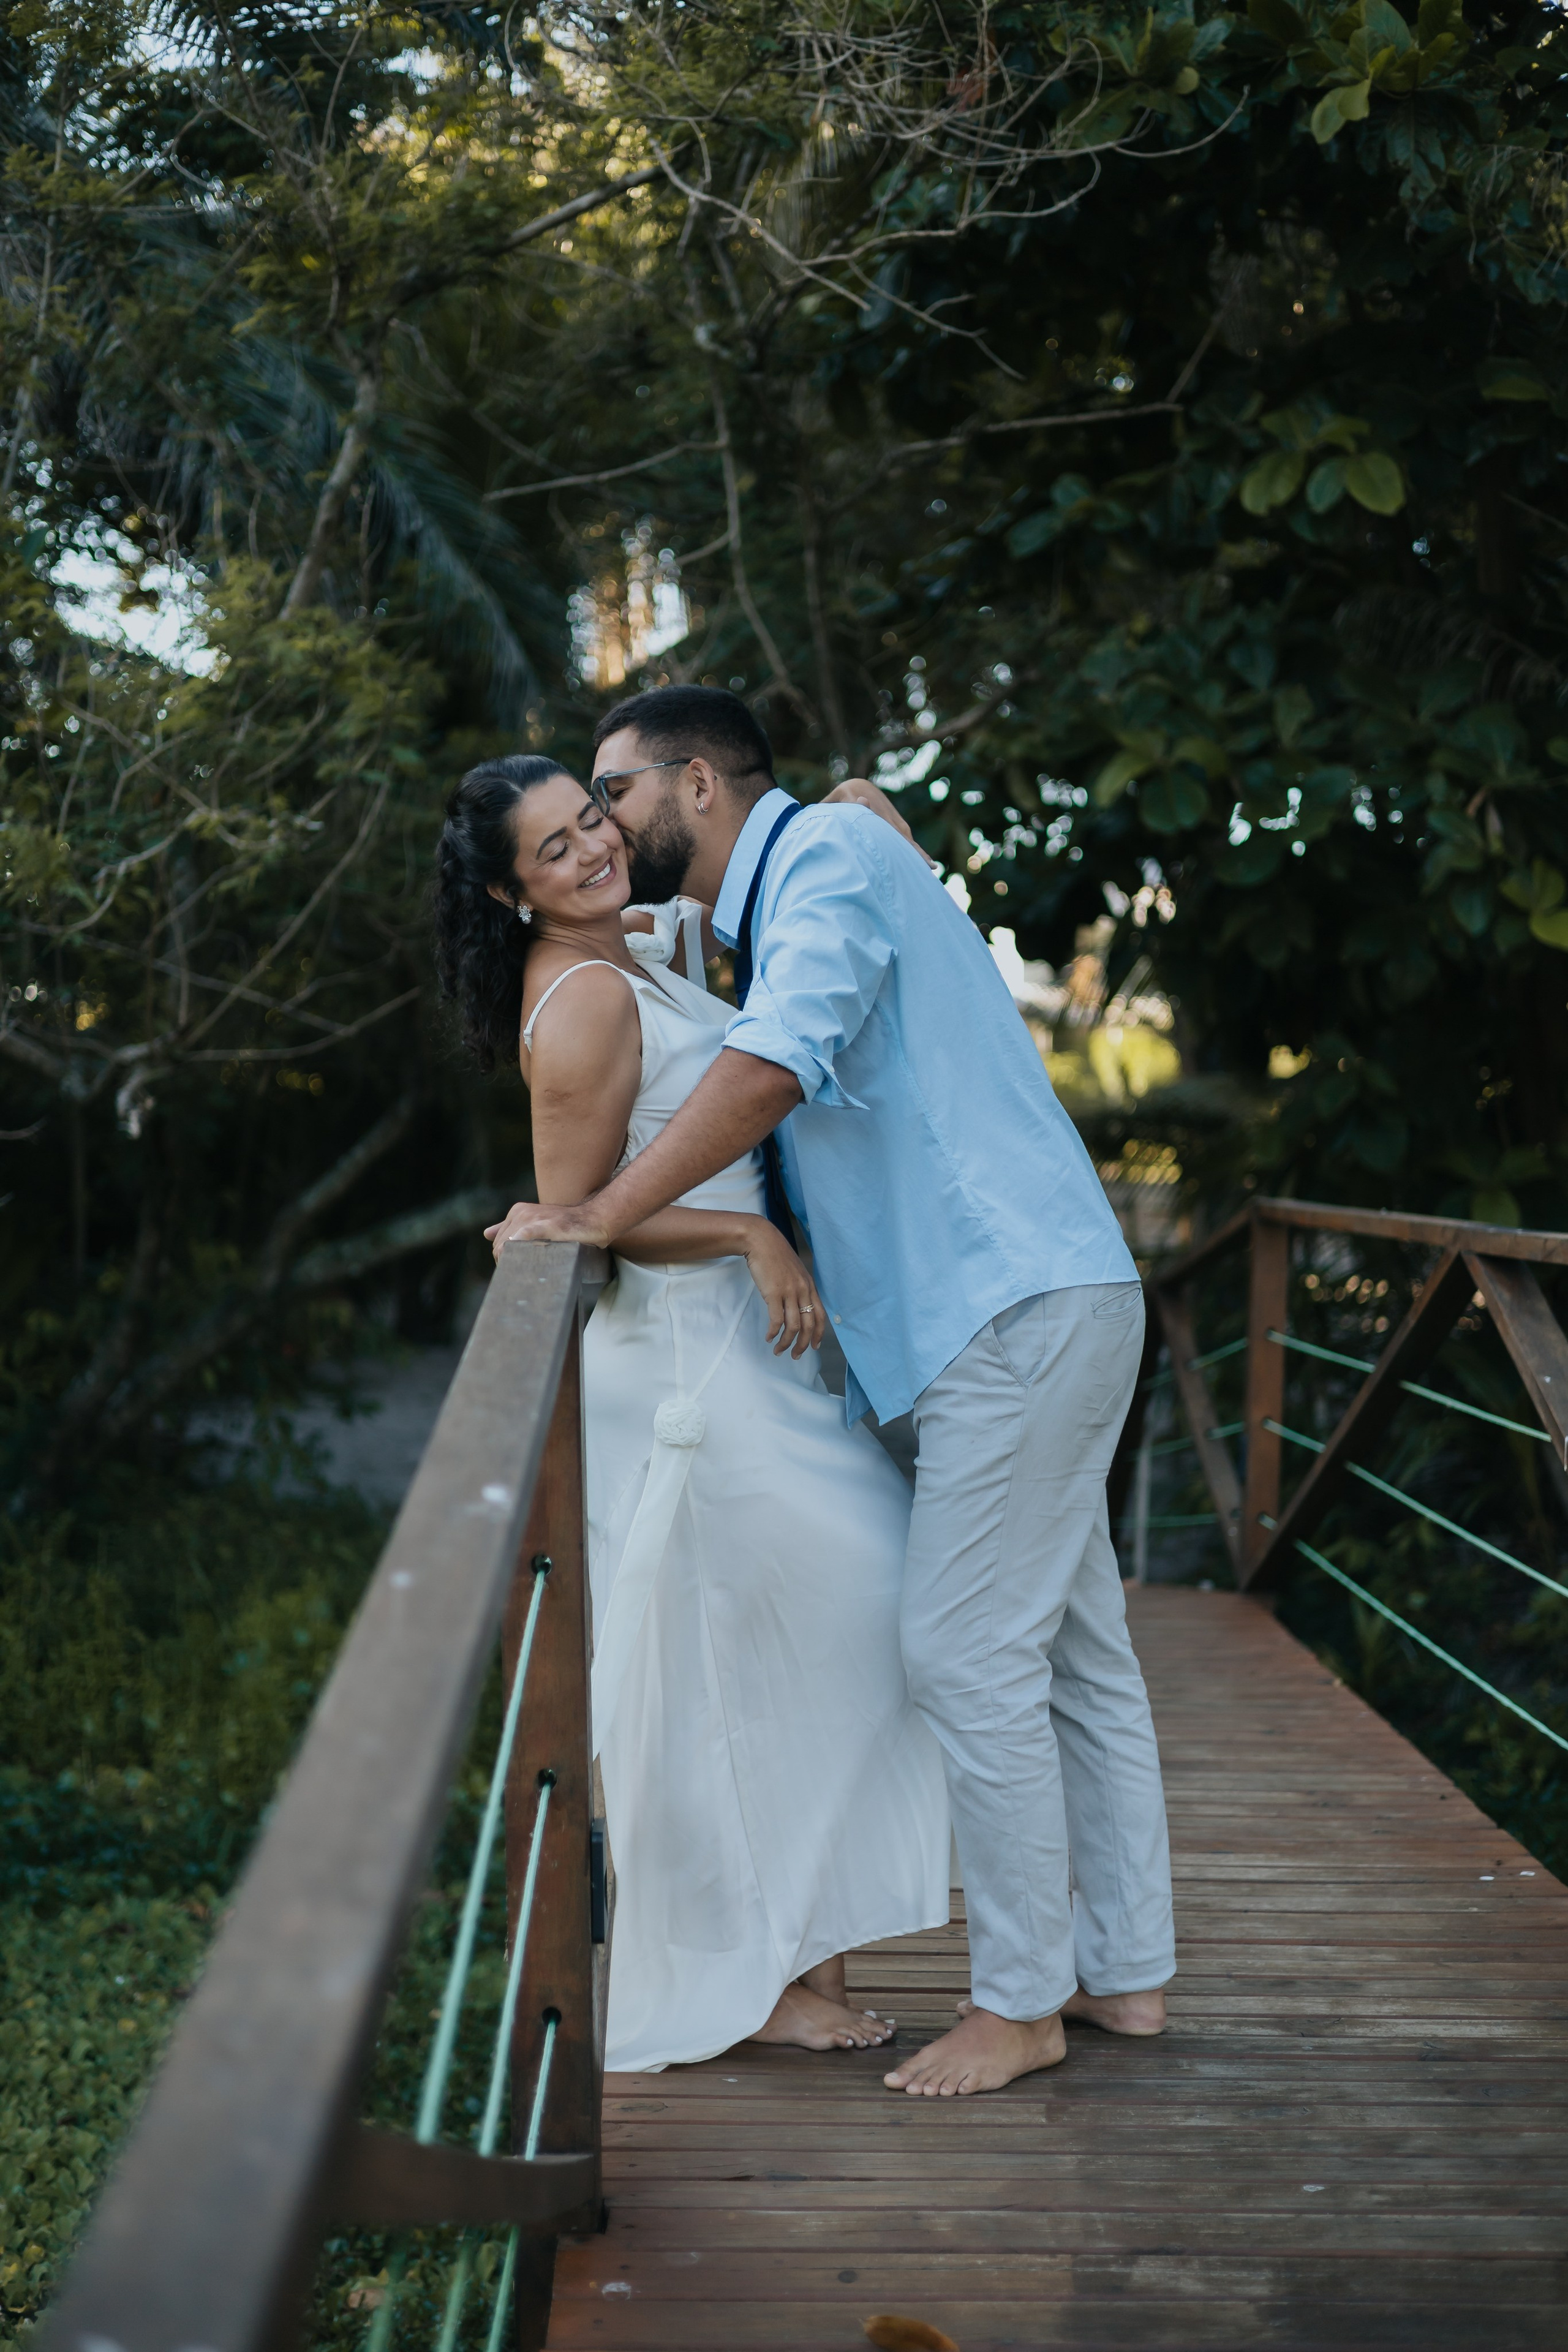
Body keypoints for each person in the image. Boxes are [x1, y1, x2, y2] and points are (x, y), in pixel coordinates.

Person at [486, 685, 1177, 2098]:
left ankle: (1023, 2002)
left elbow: (768, 1066)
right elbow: (616, 974)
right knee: (1072, 1651)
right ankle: (1123, 1971)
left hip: (1007, 1307)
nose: (602, 826)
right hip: (996, 1311)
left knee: (961, 1652)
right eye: (570, 823)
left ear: (691, 784)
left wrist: (599, 1215)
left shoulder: (829, 866)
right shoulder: (766, 895)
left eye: (611, 794)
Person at [434, 753, 951, 2073]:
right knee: (771, 1651)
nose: (594, 848)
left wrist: (843, 799)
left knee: (800, 1650)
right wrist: (744, 1238)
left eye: (592, 815)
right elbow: (578, 1218)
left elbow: (785, 869)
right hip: (681, 1371)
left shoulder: (640, 944)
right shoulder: (588, 1001)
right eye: (552, 850)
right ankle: (760, 1981)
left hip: (747, 1362)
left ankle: (799, 1966)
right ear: (508, 892)